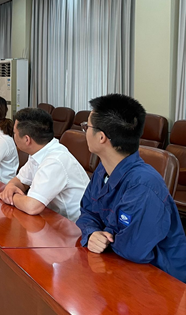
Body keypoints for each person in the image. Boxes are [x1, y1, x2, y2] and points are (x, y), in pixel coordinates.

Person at [76, 94, 186, 282]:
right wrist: (92, 232)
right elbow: (87, 211)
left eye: (87, 127)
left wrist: (105, 236)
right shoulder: (104, 169)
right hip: (118, 266)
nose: (85, 131)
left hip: (159, 279)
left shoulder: (144, 185)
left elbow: (133, 249)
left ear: (101, 137)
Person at [0, 108, 89, 221]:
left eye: (14, 133)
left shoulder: (54, 160)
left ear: (27, 139)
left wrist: (11, 196)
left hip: (74, 226)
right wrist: (10, 187)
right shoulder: (39, 152)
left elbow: (32, 207)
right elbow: (20, 181)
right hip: (53, 217)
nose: (13, 136)